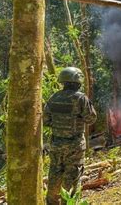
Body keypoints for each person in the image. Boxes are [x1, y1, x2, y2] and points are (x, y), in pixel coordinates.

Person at [44, 67, 97, 205]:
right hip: (75, 145)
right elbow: (91, 119)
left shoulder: (53, 98)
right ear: (78, 81)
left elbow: (45, 120)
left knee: (54, 174)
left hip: (56, 145)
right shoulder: (80, 98)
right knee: (73, 176)